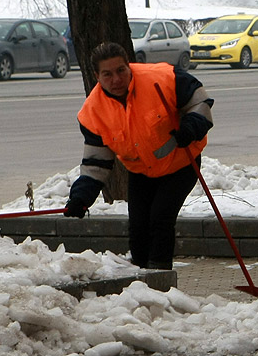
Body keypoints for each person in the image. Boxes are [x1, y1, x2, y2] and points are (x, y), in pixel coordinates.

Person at [64, 41, 214, 270]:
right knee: (138, 228)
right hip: (141, 171)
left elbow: (199, 101)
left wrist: (191, 126)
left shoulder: (162, 78)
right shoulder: (93, 111)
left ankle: (159, 279)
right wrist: (81, 198)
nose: (116, 79)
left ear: (129, 66)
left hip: (181, 162)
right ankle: (141, 279)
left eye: (121, 70)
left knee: (160, 219)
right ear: (96, 76)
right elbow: (96, 162)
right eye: (107, 74)